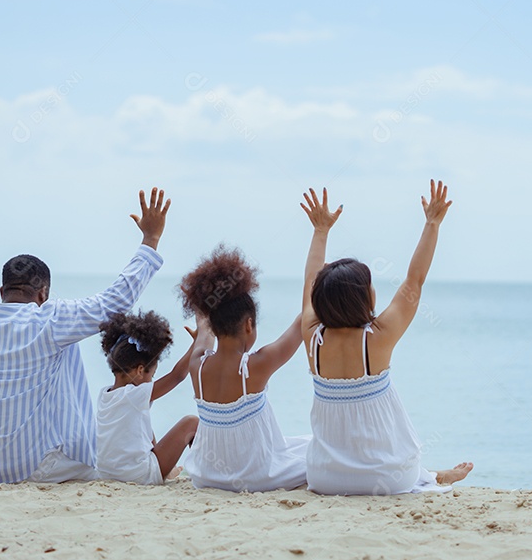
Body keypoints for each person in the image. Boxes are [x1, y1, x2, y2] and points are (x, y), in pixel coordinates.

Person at [0, 188, 171, 484]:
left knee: (64, 340)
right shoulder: (49, 320)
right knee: (67, 342)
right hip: (34, 469)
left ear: (2, 292)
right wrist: (150, 240)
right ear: (43, 294)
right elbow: (113, 303)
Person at [300, 181, 473, 495]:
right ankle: (431, 476)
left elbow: (311, 280)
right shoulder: (377, 339)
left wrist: (320, 231)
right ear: (364, 298)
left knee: (299, 446)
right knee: (401, 462)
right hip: (388, 480)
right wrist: (432, 224)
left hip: (324, 480)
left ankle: (431, 475)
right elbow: (415, 281)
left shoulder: (312, 337)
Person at [179, 245, 309, 492]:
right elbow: (303, 321)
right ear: (249, 325)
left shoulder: (197, 364)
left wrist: (204, 301)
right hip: (256, 476)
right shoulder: (256, 365)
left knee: (300, 445)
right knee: (314, 449)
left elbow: (203, 331)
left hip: (207, 476)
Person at [96, 309, 211, 484]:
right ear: (140, 370)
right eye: (153, 374)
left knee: (143, 425)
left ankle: (169, 470)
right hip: (137, 475)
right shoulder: (134, 395)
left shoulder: (105, 394)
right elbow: (177, 376)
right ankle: (207, 473)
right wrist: (199, 340)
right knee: (191, 423)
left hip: (107, 473)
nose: (152, 380)